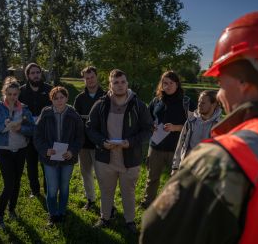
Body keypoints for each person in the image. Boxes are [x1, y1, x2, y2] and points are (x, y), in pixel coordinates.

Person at [140, 11, 258, 243]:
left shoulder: (225, 157)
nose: (218, 94)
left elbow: (155, 233)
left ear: (243, 80)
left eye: (219, 81)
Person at [86, 69, 153, 234]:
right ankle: (105, 218)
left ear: (127, 83)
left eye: (123, 82)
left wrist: (130, 142)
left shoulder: (138, 105)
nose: (120, 85)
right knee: (106, 190)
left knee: (128, 192)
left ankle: (130, 221)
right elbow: (89, 127)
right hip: (105, 157)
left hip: (130, 158)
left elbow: (148, 129)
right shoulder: (101, 104)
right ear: (110, 85)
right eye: (116, 82)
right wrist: (102, 142)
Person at [0, 77, 35, 230]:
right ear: (4, 93)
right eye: (10, 94)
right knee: (9, 184)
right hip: (4, 150)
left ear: (19, 93)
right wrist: (4, 125)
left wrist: (21, 129)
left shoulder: (25, 109)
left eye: (15, 94)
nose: (13, 97)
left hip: (21, 149)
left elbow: (33, 129)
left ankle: (11, 210)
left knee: (17, 182)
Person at [141, 70, 194, 209]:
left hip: (176, 149)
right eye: (165, 83)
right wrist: (151, 126)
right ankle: (147, 202)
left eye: (171, 83)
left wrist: (176, 127)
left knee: (175, 180)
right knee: (152, 178)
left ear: (177, 84)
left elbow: (194, 126)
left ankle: (172, 206)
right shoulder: (156, 100)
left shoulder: (186, 102)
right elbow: (147, 118)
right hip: (155, 147)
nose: (168, 86)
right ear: (161, 85)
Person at [34, 86, 84, 225]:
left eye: (62, 97)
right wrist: (45, 150)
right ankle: (52, 214)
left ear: (67, 98)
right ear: (52, 100)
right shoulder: (46, 113)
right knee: (51, 188)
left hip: (67, 158)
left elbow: (80, 137)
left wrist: (72, 151)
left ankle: (61, 212)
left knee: (64, 186)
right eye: (56, 98)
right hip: (50, 158)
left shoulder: (74, 114)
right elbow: (37, 135)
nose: (59, 101)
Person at [73, 66, 105, 210]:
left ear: (96, 77)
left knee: (103, 176)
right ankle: (91, 200)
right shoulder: (79, 98)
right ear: (84, 80)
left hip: (100, 143)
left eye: (92, 77)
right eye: (87, 78)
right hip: (84, 144)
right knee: (86, 174)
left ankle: (108, 202)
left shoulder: (106, 96)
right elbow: (75, 119)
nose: (90, 80)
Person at [19, 63, 52, 197]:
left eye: (37, 72)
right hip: (28, 134)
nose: (36, 75)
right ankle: (35, 190)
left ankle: (49, 189)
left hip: (46, 133)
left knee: (47, 163)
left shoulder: (50, 89)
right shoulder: (21, 91)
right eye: (32, 73)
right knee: (31, 163)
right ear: (28, 75)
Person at [171, 90, 222, 172]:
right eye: (199, 102)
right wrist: (175, 167)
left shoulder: (220, 125)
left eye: (203, 103)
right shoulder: (191, 120)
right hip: (187, 167)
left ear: (214, 104)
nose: (199, 105)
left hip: (206, 171)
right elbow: (181, 144)